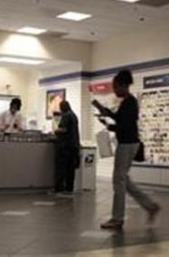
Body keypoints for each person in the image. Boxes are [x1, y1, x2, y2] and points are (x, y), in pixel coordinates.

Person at [94, 69, 160, 230]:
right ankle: (150, 206)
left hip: (127, 144)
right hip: (130, 143)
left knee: (118, 180)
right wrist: (107, 117)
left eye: (116, 87)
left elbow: (123, 125)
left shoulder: (129, 103)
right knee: (124, 181)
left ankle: (117, 218)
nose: (114, 90)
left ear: (124, 85)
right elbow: (121, 121)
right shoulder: (128, 103)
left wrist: (109, 121)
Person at [54, 100, 80, 195]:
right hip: (74, 145)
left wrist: (56, 131)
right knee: (71, 168)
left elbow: (63, 129)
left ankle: (59, 188)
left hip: (65, 146)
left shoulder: (66, 115)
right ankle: (69, 188)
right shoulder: (74, 115)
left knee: (62, 167)